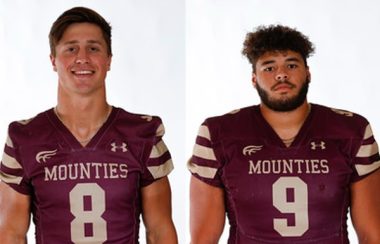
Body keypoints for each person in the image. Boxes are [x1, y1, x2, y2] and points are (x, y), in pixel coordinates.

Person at [0, 6, 177, 244]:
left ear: (108, 60)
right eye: (71, 48)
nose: (82, 57)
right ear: (53, 60)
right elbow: (11, 233)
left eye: (93, 48)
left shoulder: (142, 135)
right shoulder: (25, 138)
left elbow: (160, 230)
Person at [188, 24, 380, 243]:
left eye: (291, 65)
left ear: (308, 74)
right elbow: (203, 239)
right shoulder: (218, 133)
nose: (281, 74)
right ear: (254, 79)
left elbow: (372, 235)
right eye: (269, 68)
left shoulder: (351, 130)